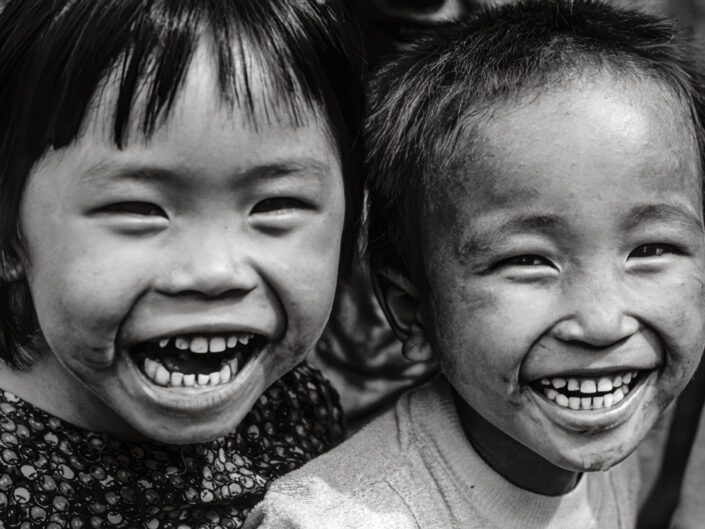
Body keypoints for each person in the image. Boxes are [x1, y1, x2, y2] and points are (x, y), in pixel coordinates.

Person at [246, 1, 705, 527]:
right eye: (528, 260)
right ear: (413, 312)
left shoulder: (608, 431)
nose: (601, 324)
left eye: (650, 250)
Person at [0, 0, 363, 526]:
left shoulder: (292, 404)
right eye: (138, 209)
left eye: (275, 206)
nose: (214, 271)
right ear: (9, 236)